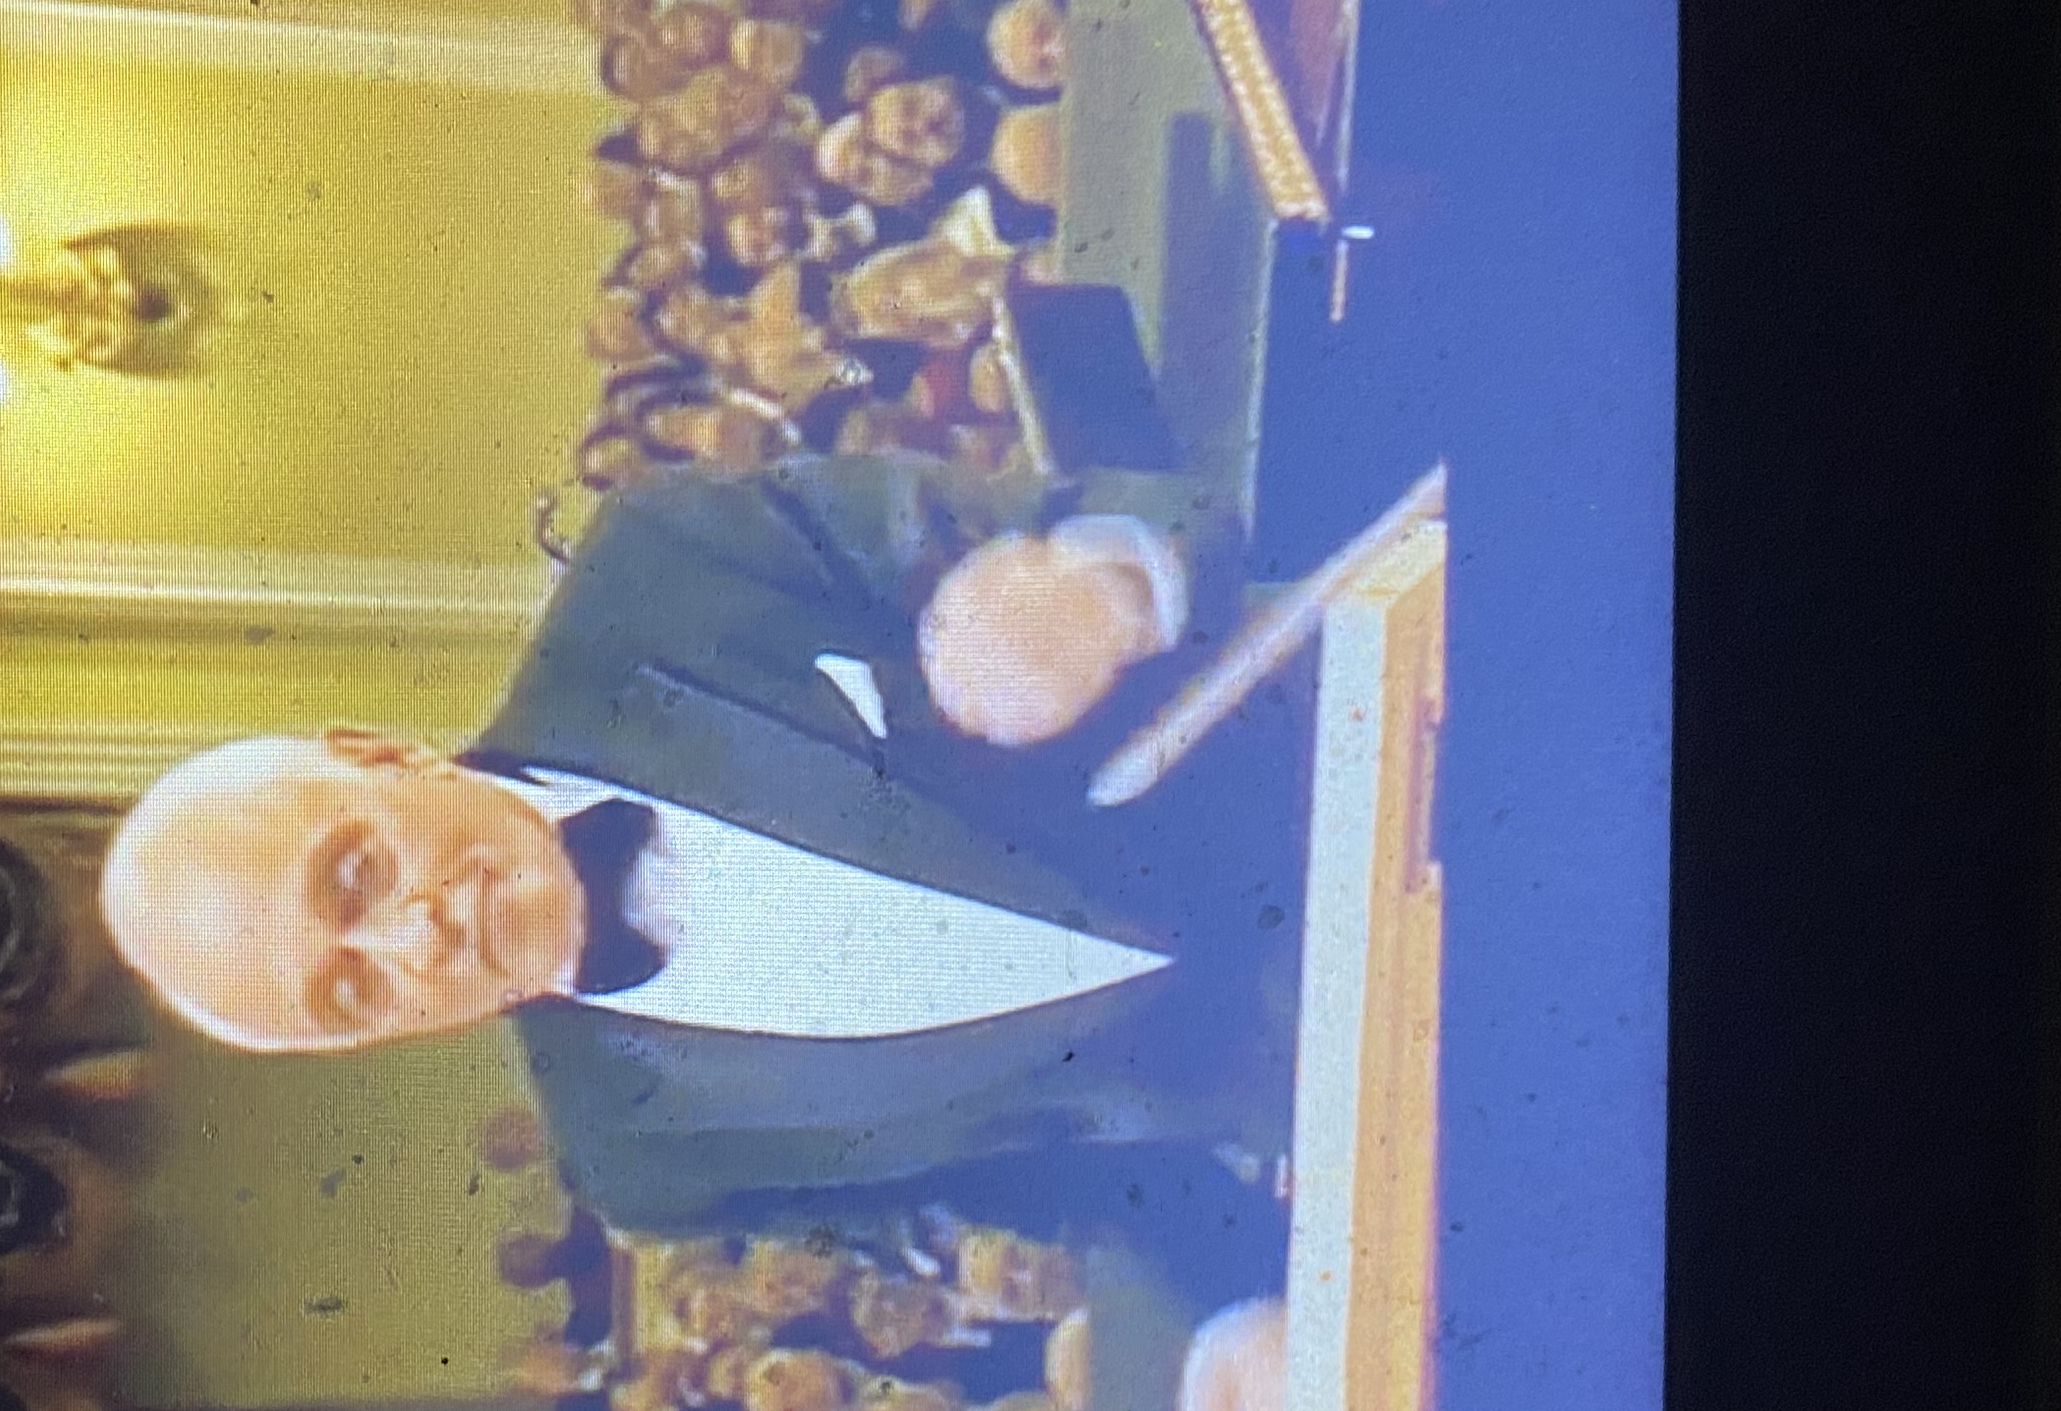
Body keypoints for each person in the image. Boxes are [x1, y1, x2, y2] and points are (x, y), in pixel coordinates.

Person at [98, 452, 1307, 1278]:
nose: (414, 938)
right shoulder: (638, 1167)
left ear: (379, 753)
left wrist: (1102, 583)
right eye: (353, 989)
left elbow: (1145, 511)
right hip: (1325, 1089)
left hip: (1355, 745)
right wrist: (1244, 1315)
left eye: (354, 877)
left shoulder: (663, 573)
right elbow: (1075, 1194)